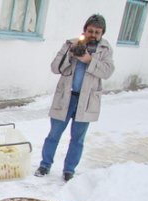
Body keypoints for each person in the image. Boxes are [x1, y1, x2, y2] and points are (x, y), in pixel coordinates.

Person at [34, 14, 114, 182]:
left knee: (77, 139)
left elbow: (107, 72)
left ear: (102, 34)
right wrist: (71, 55)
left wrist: (89, 60)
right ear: (84, 30)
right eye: (90, 30)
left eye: (97, 32)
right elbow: (55, 68)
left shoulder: (105, 50)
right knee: (53, 135)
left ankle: (69, 170)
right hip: (66, 98)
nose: (93, 34)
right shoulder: (71, 44)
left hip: (86, 102)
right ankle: (44, 165)